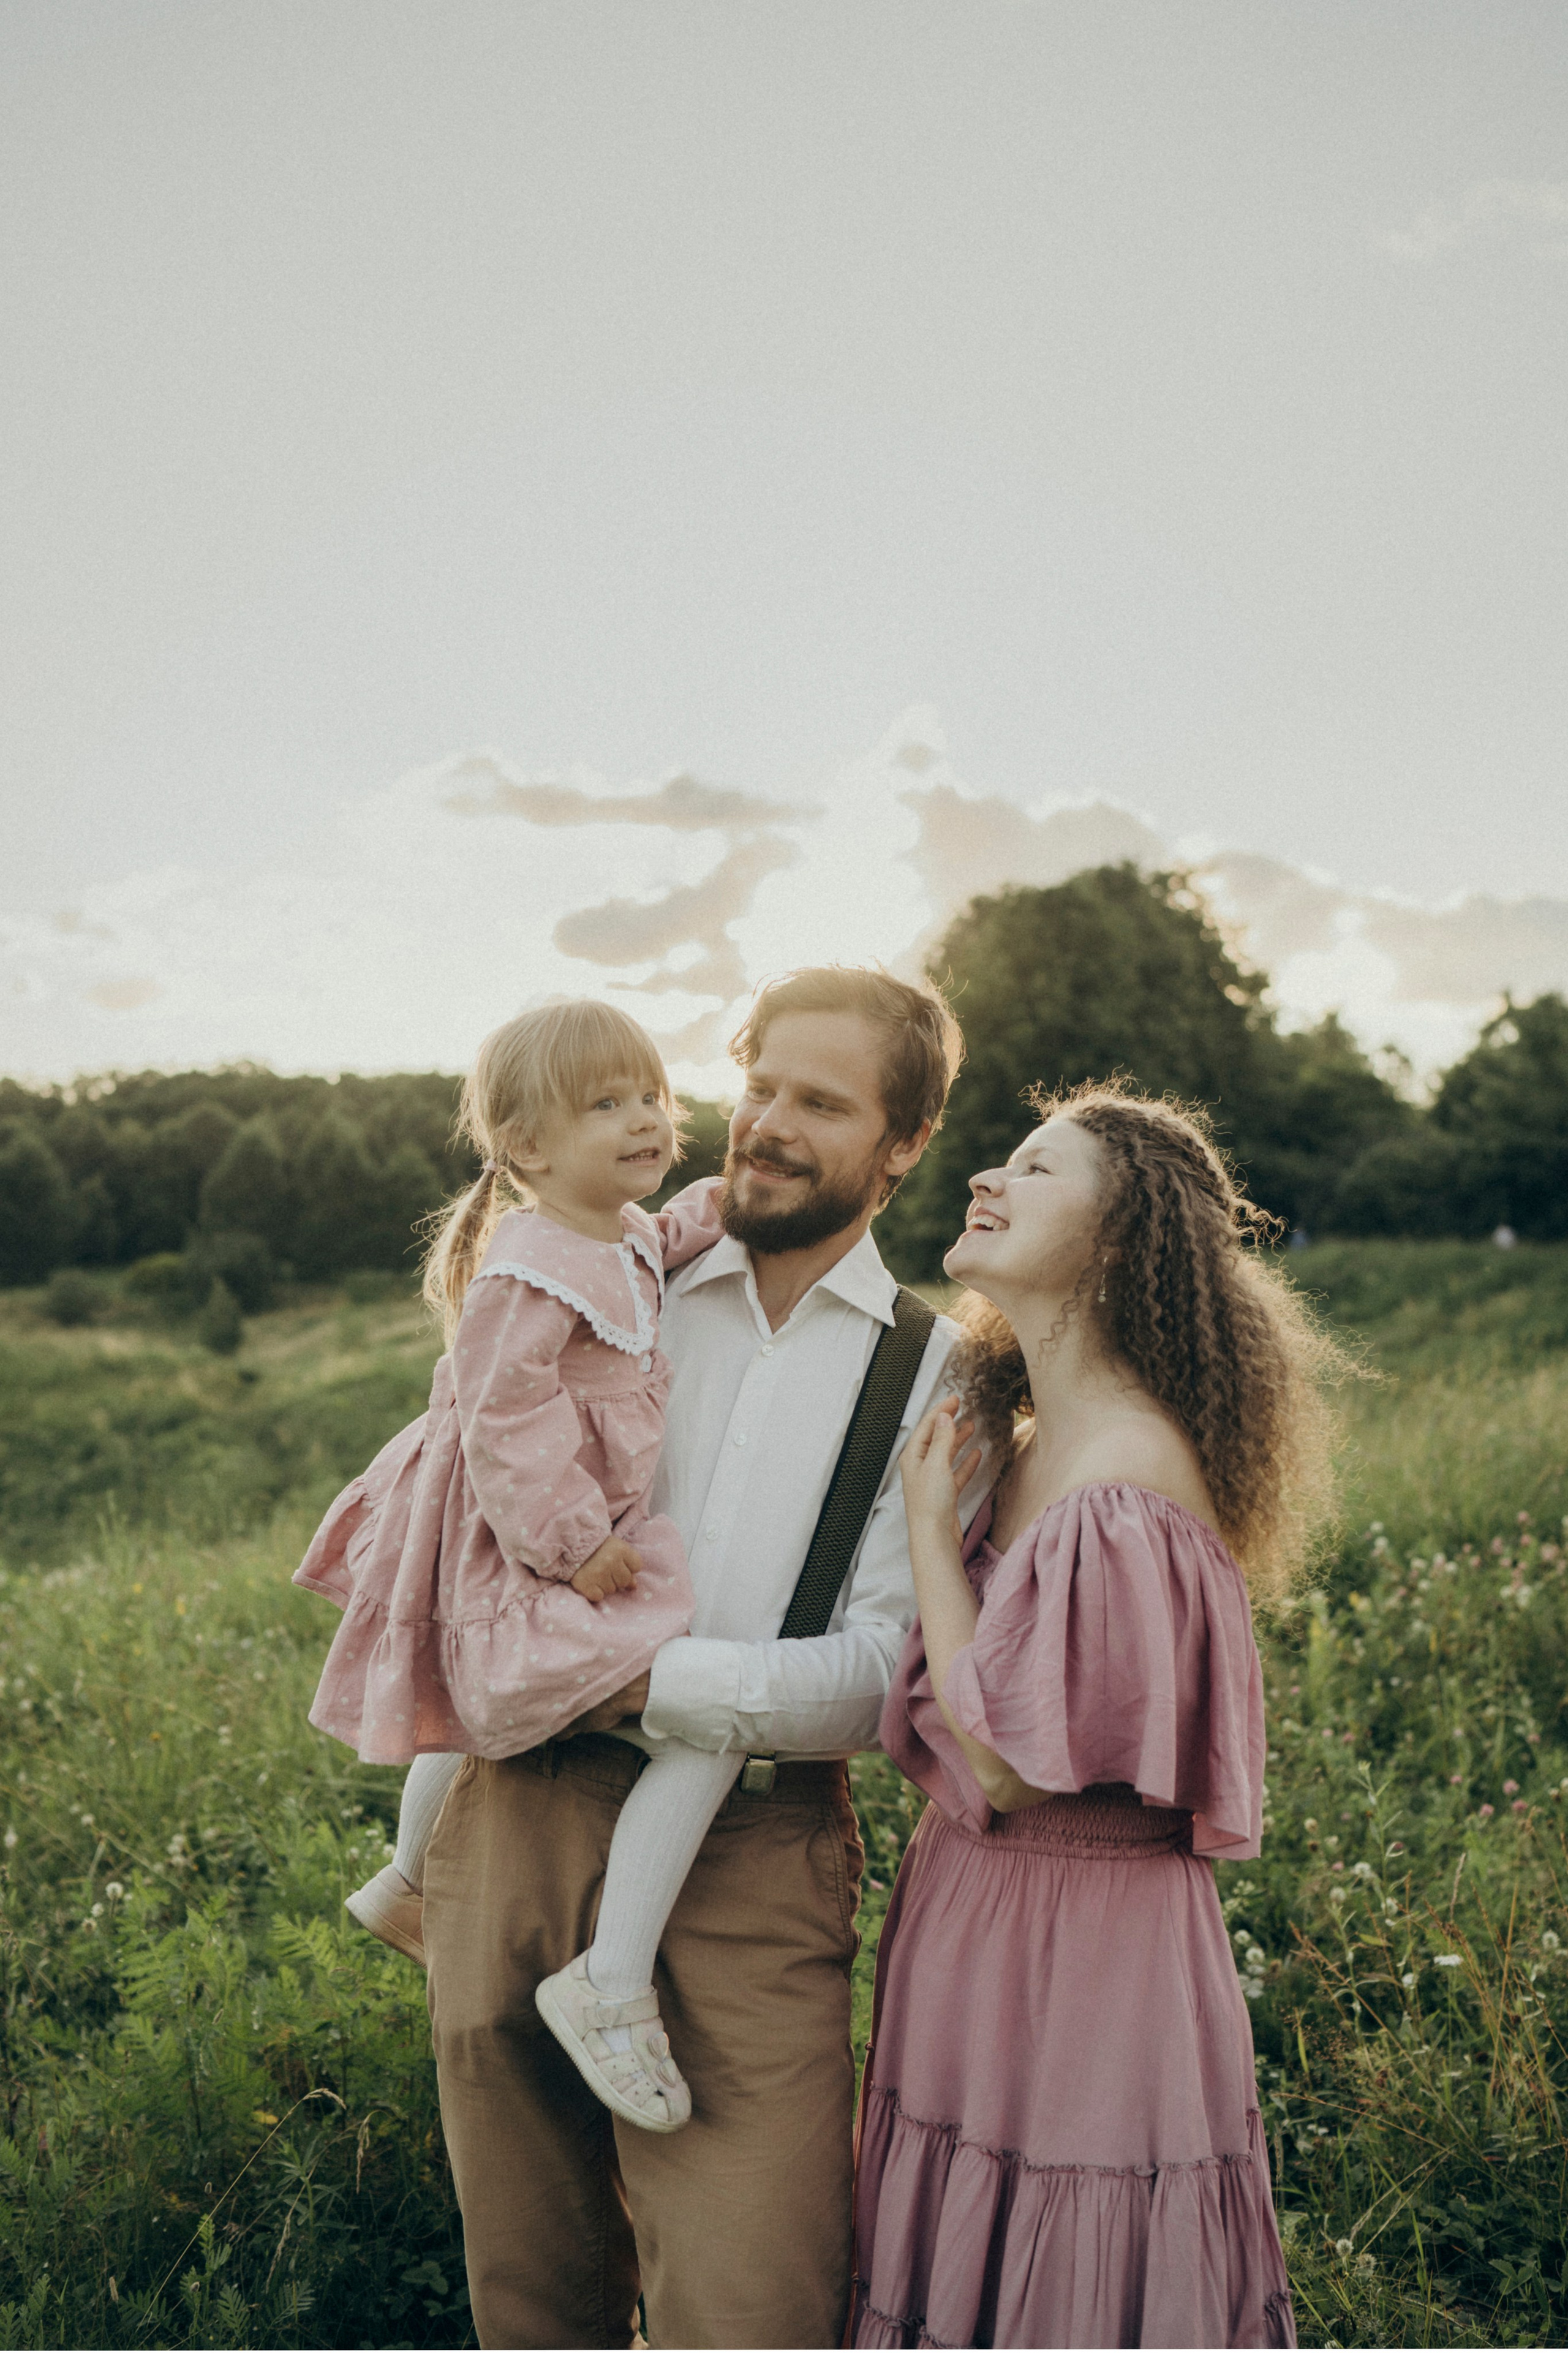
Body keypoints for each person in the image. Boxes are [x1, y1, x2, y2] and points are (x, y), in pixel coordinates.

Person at [421, 966, 977, 2351]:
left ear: (902, 1142)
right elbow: (471, 1488)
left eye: (822, 1103)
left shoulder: (937, 1371)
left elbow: (884, 1666)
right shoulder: (617, 1269)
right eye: (761, 1084)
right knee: (532, 2298)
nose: (769, 1124)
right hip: (524, 1811)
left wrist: (648, 1684)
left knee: (753, 2308)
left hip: (751, 1857)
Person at [853, 1081, 1346, 2351]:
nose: (985, 1181)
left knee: (1062, 2272)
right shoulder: (1016, 1443)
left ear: (1119, 1243)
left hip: (1083, 1950)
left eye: (1035, 1169)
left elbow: (1008, 1767)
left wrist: (925, 1536)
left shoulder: (1124, 1471)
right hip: (974, 1914)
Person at [294, 999, 730, 2131]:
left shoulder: (619, 1228)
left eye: (652, 1096)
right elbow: (503, 1415)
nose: (644, 1118)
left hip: (546, 1515)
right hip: (517, 1524)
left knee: (484, 1708)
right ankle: (584, 1964)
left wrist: (732, 1201)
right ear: (529, 1149)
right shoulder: (530, 1267)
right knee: (667, 1695)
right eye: (606, 1105)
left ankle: (404, 1879)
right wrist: (574, 1540)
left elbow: (665, 1242)